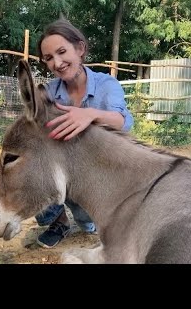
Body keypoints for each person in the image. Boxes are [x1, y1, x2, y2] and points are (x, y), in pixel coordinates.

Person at [34, 18, 134, 248]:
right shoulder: (49, 91)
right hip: (69, 168)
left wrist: (89, 115)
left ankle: (97, 219)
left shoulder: (107, 84)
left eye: (61, 52)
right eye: (48, 58)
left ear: (80, 49)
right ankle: (58, 221)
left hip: (104, 169)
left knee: (94, 227)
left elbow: (120, 122)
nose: (57, 63)